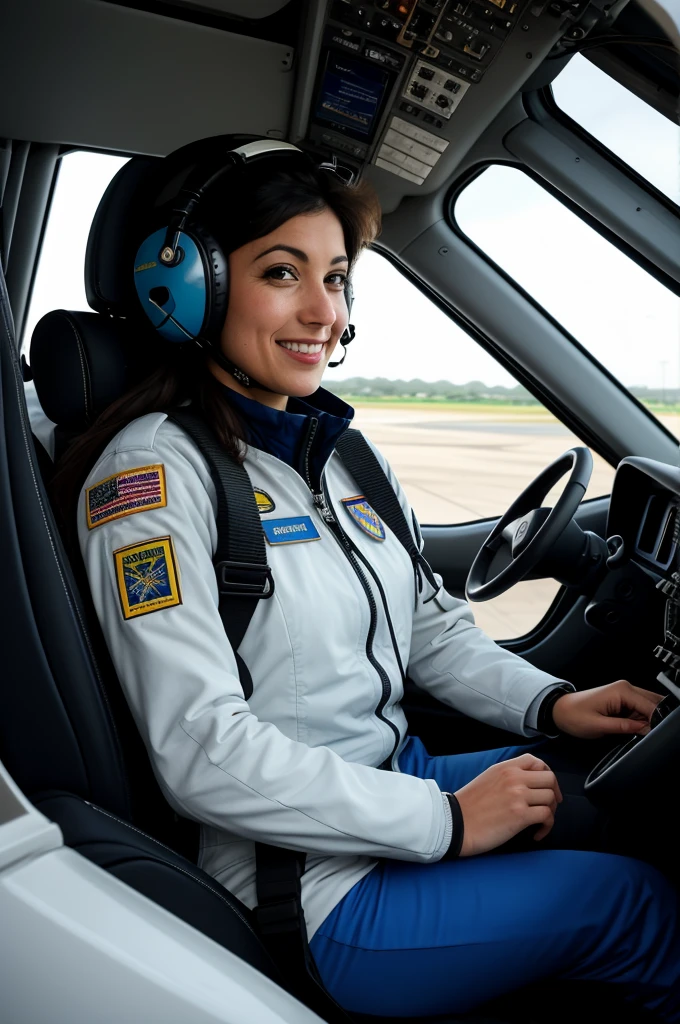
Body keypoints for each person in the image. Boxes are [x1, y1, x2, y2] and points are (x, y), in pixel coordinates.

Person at [56, 135, 680, 1021]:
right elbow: (201, 749)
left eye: (339, 278)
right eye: (283, 273)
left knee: (608, 788)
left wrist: (551, 706)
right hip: (303, 881)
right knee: (637, 907)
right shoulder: (152, 480)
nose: (327, 313)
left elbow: (428, 626)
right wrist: (451, 823)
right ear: (191, 285)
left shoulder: (341, 452)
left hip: (390, 777)